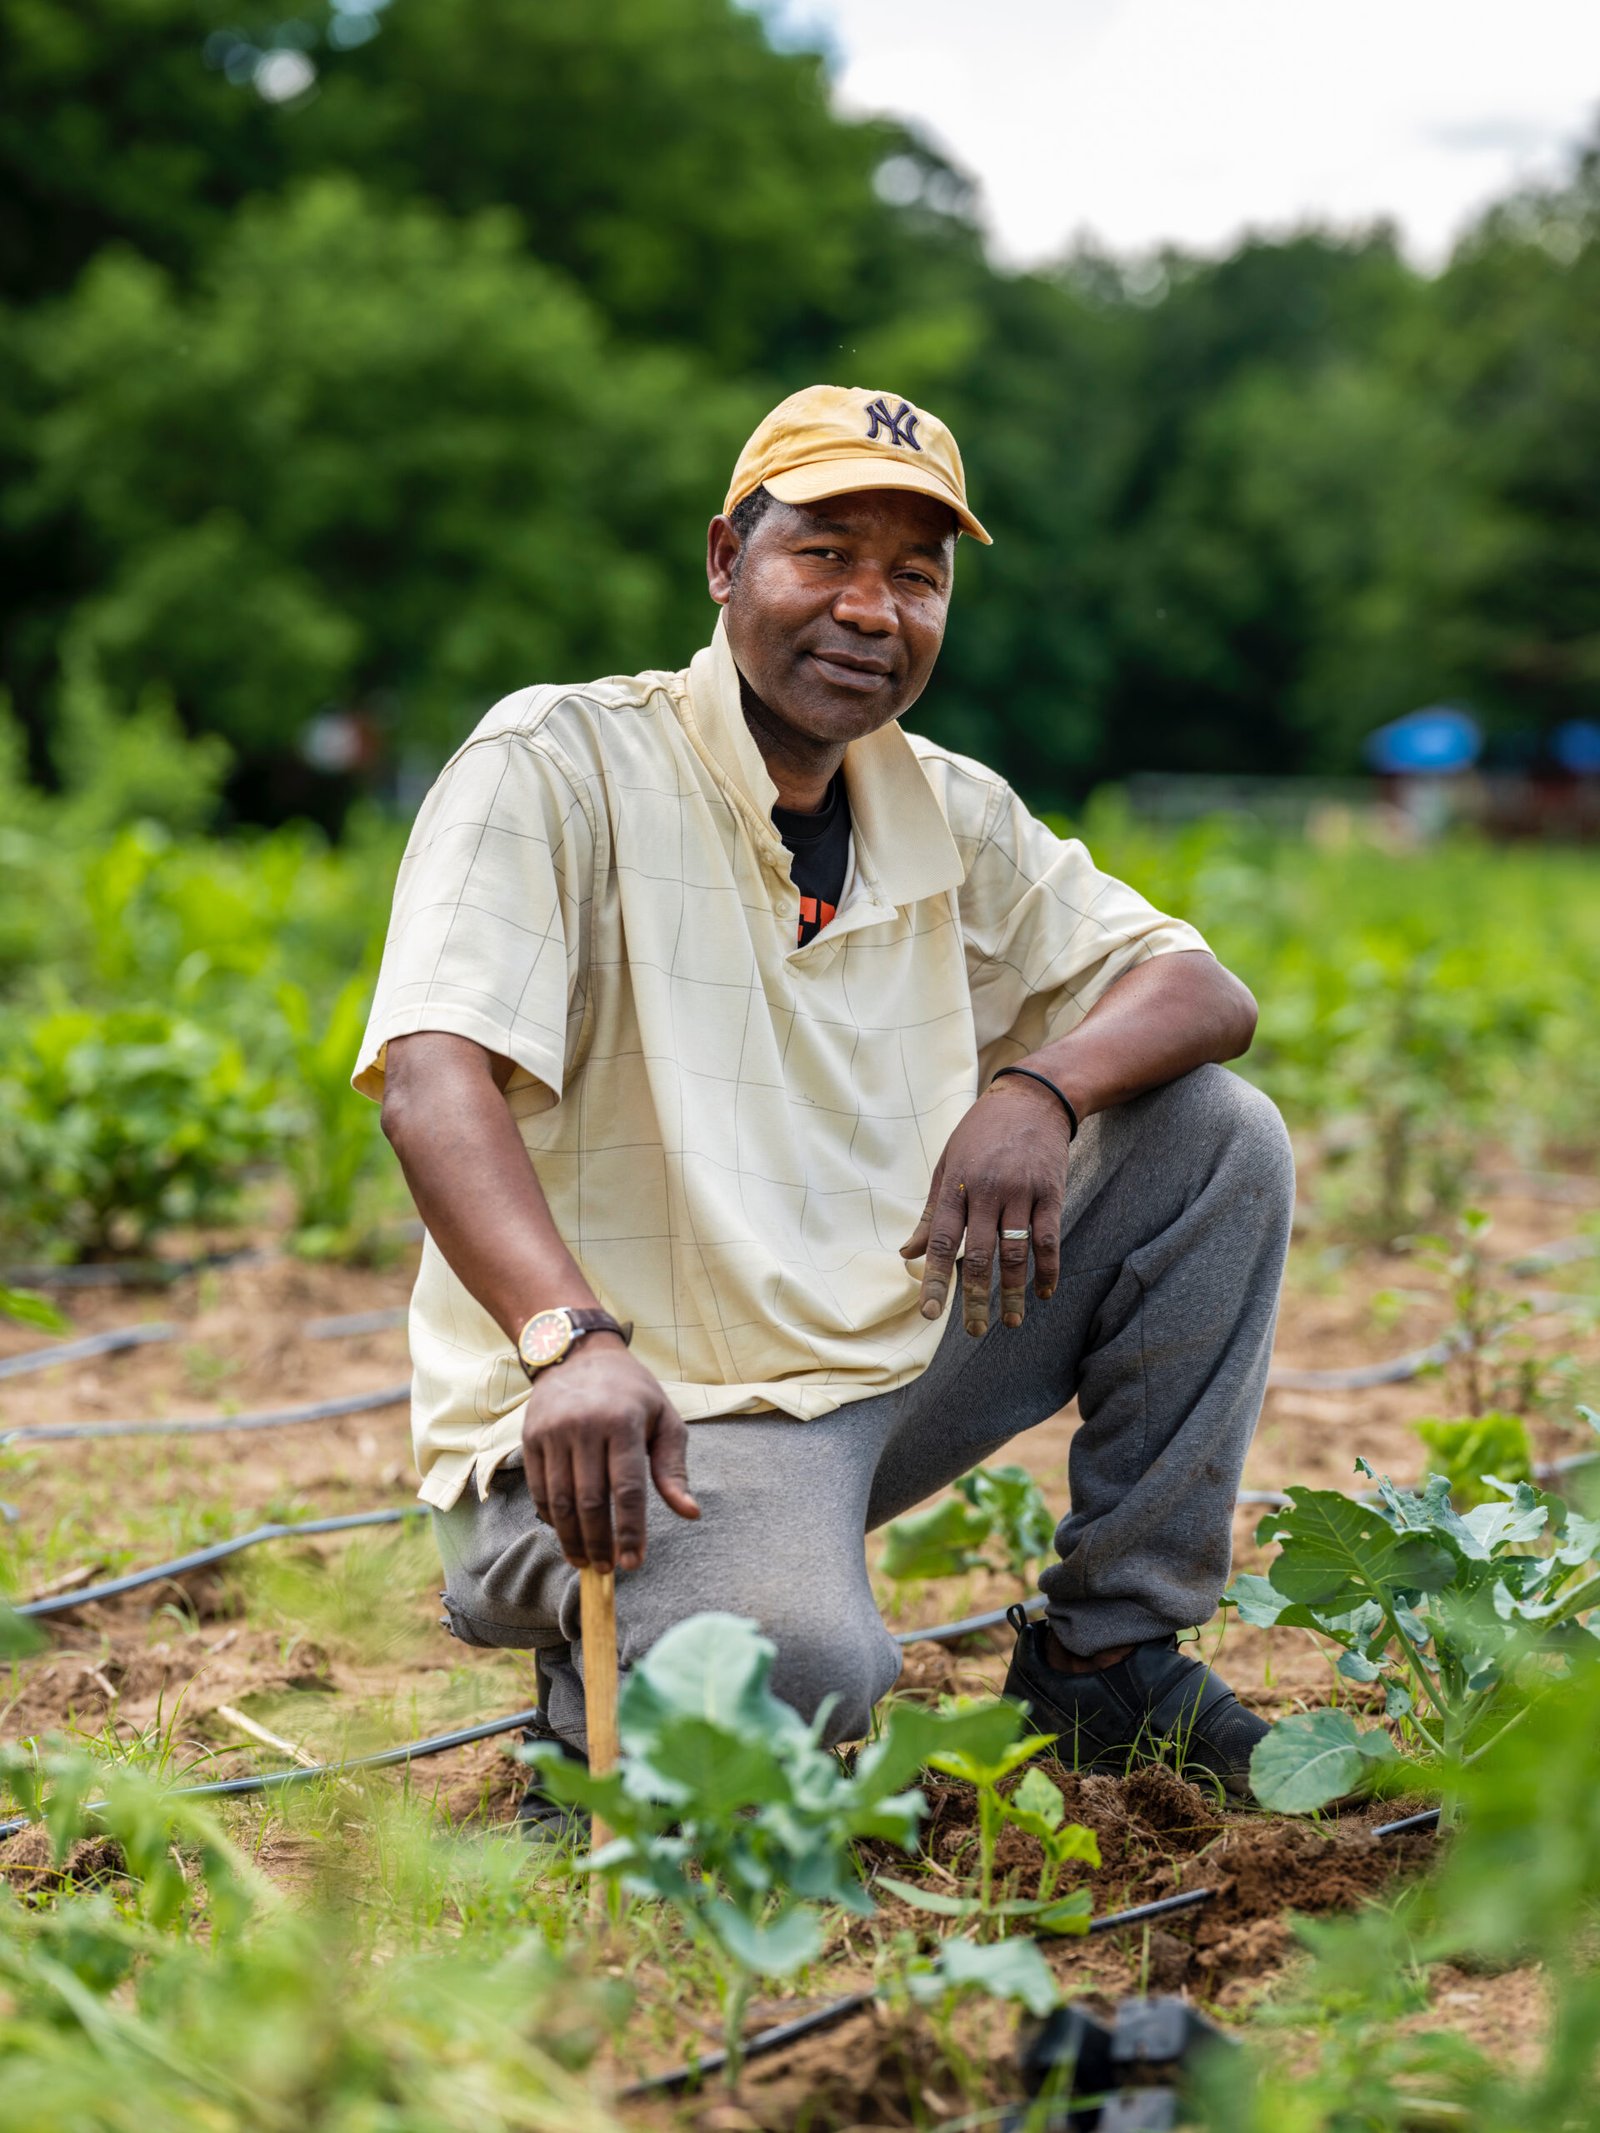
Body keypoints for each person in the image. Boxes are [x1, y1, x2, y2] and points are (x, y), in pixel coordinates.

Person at [355, 384, 1295, 1822]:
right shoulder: (561, 762)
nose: (872, 607)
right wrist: (568, 1339)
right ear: (728, 559)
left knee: (1214, 1137)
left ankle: (1108, 1652)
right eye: (826, 555)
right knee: (802, 1671)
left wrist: (1038, 1087)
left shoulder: (944, 808)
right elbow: (430, 1078)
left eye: (916, 576)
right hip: (624, 1418)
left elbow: (1201, 988)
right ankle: (588, 1703)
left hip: (867, 1365)